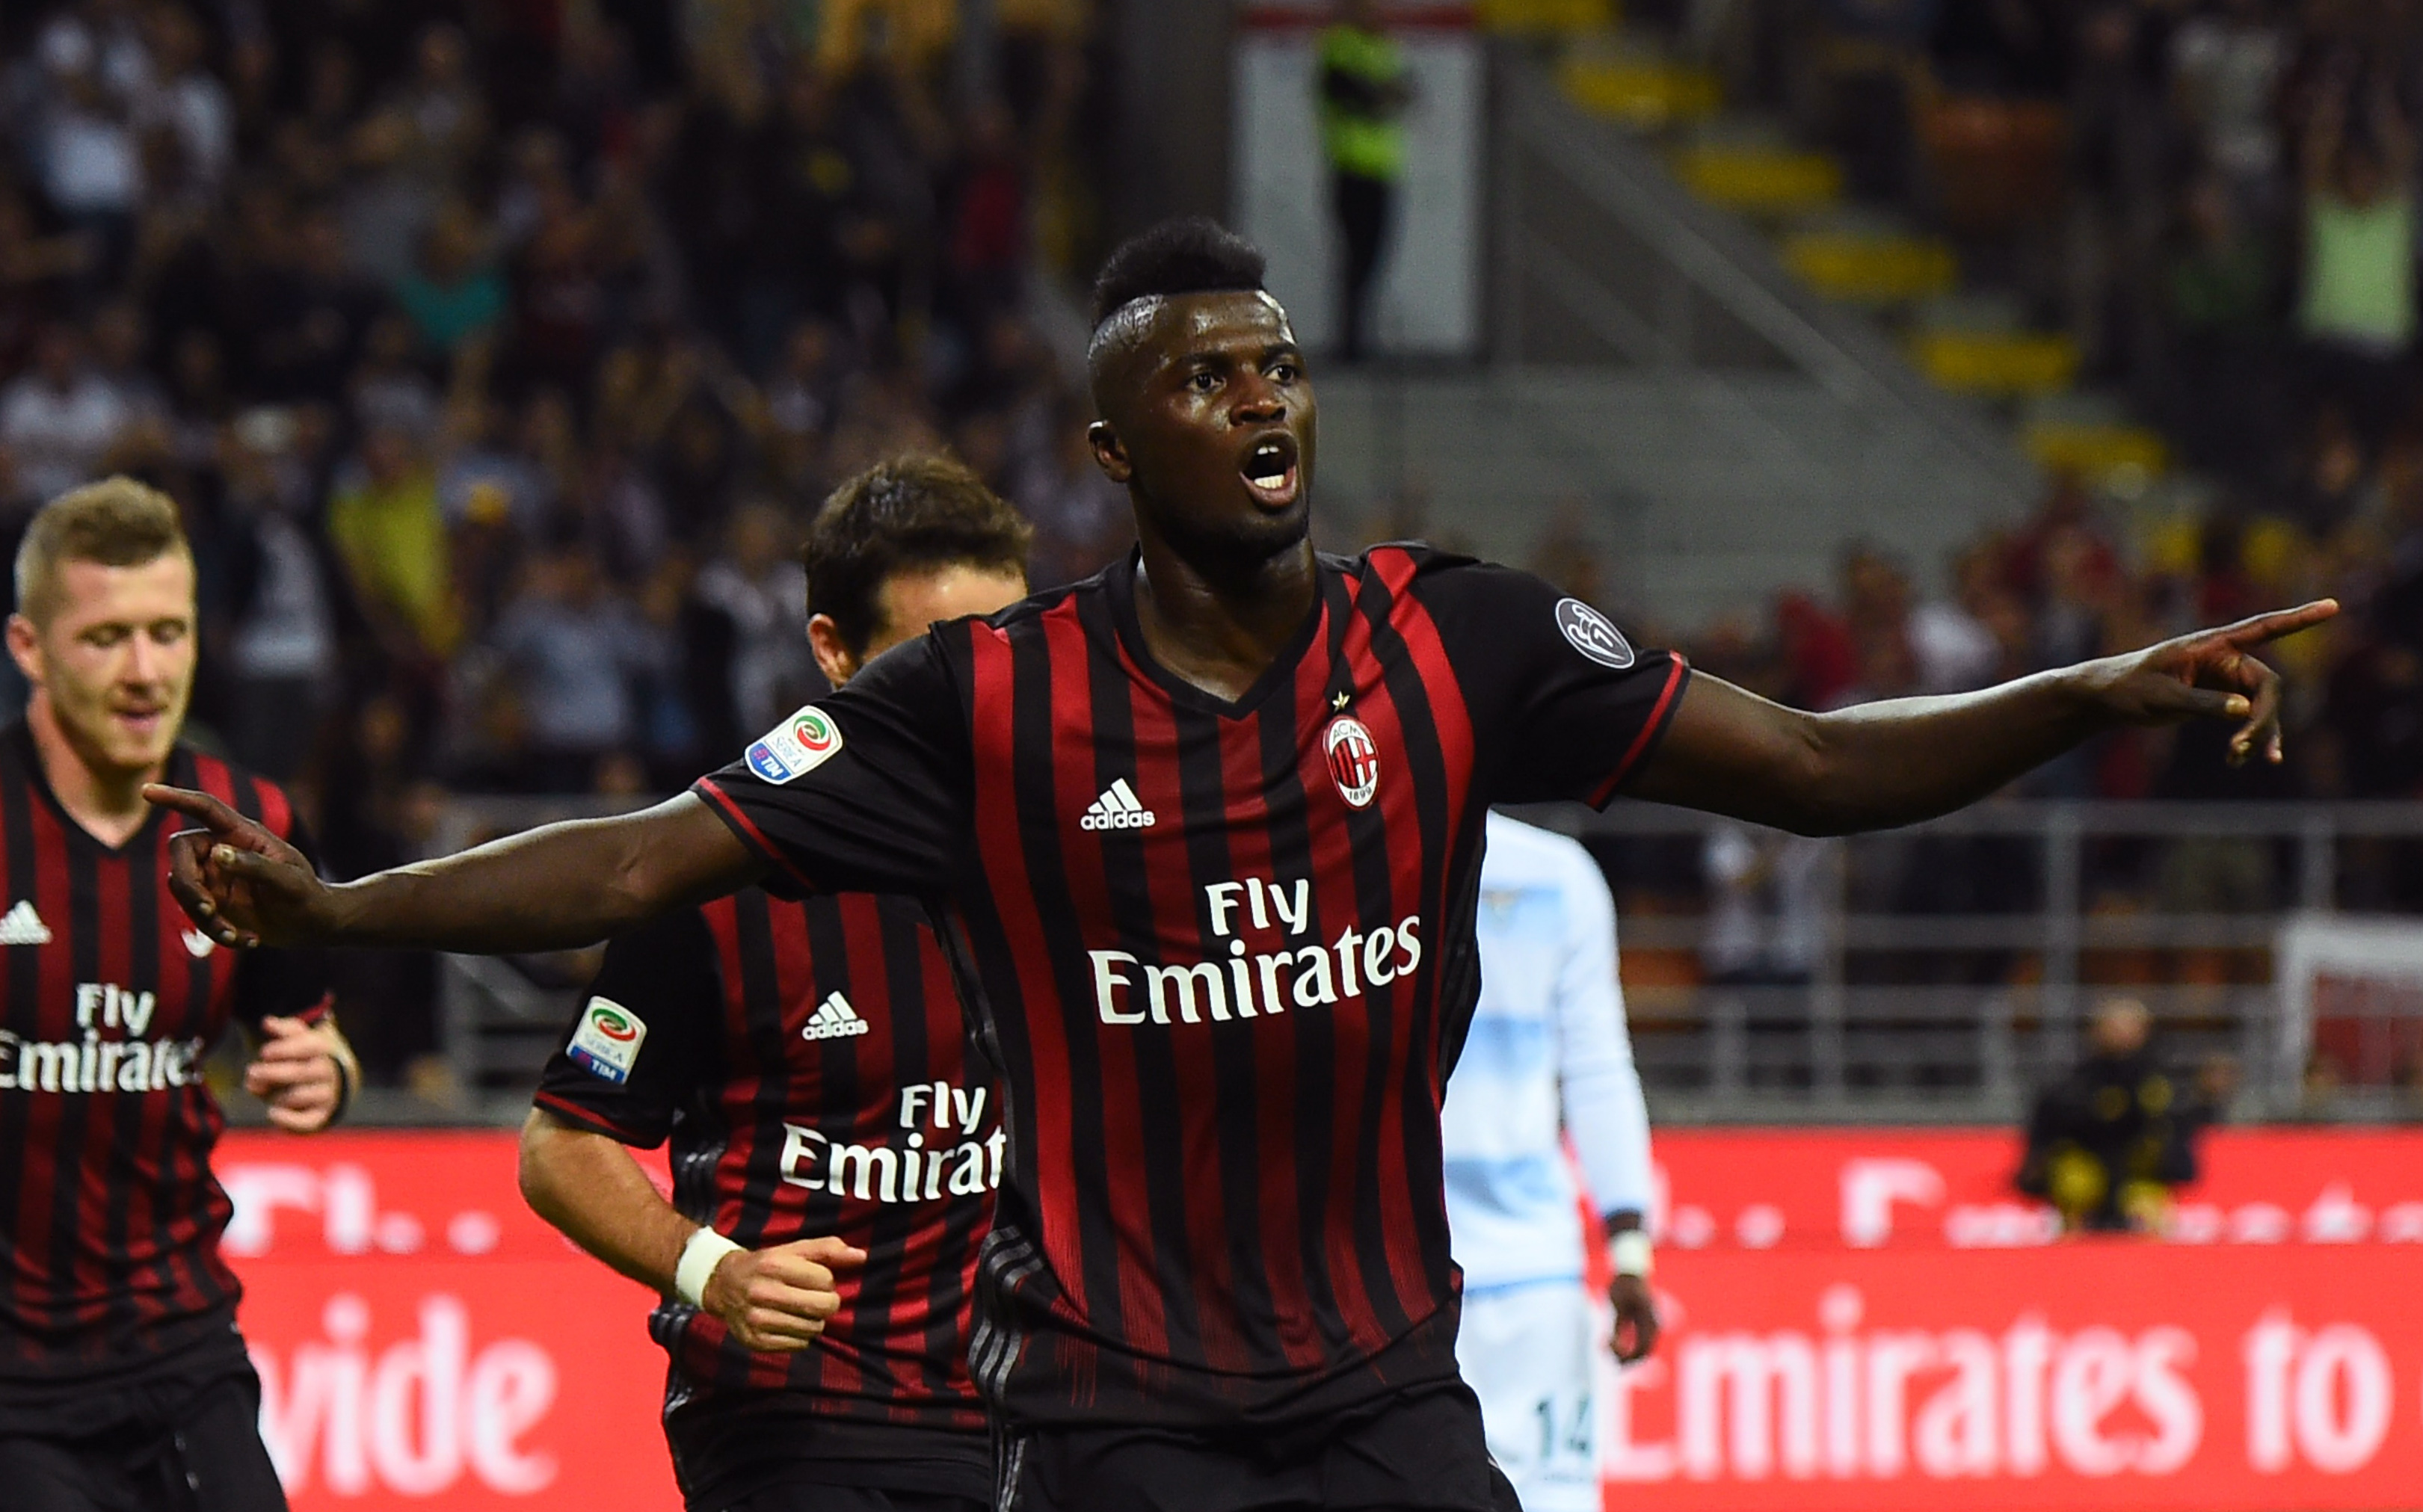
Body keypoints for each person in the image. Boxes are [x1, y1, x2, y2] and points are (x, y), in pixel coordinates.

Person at [154, 217, 2332, 1512]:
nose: (1260, 396)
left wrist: (2093, 685)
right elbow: (648, 847)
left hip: (1389, 1390)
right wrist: (347, 909)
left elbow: (1820, 763)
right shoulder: (985, 705)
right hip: (1117, 1420)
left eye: (1277, 363)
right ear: (1116, 447)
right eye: (1205, 377)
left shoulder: (1457, 634)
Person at [516, 457, 1030, 1512]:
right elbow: (561, 1142)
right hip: (795, 1416)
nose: (979, 696)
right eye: (934, 660)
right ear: (834, 653)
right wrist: (710, 1269)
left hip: (1026, 1413)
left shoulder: (1077, 856)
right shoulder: (716, 878)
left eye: (1009, 649)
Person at [0, 477, 360, 1512]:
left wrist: (322, 1072)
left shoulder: (248, 823)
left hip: (181, 1347)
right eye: (107, 637)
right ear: (30, 646)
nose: (145, 670)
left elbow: (314, 1034)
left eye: (169, 630)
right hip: (13, 1380)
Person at [1444, 811, 1657, 1511]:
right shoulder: (1559, 873)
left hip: (1407, 1276)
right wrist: (1628, 1251)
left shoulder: (1355, 856)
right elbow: (1599, 1069)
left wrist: (1629, 1250)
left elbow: (1597, 1069)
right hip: (1509, 1273)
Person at [2016, 996, 2213, 1232]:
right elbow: (2048, 1134)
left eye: (2129, 1026)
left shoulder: (2159, 1084)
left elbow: (2176, 1137)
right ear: (2096, 1030)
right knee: (2073, 1189)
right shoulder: (2074, 1083)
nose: (2121, 1034)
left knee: (2152, 1215)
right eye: (2114, 1026)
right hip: (2085, 1179)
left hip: (2137, 1180)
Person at [1318, 0, 1411, 361]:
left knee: (1375, 257)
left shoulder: (1384, 49)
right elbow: (1360, 97)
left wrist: (1383, 94)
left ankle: (1362, 338)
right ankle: (1349, 344)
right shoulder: (1339, 48)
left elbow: (1406, 92)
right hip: (1351, 167)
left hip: (1383, 171)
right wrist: (1383, 94)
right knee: (1355, 258)